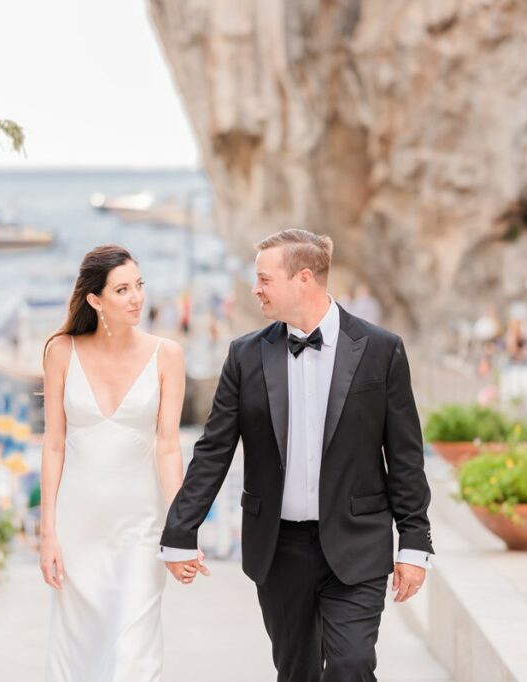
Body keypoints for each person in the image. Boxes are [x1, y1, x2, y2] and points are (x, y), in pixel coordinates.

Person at [159, 229, 433, 681]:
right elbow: (214, 451)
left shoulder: (382, 350)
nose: (255, 289)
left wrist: (415, 543)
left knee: (352, 664)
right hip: (278, 548)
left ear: (303, 278)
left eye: (265, 279)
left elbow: (405, 455)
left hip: (357, 541)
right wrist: (180, 531)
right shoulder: (245, 356)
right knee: (296, 671)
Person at [38, 245, 194, 681]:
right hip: (77, 528)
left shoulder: (168, 355)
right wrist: (48, 531)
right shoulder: (60, 351)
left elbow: (168, 446)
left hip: (141, 525)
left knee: (134, 655)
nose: (136, 298)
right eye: (122, 289)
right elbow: (54, 444)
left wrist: (181, 527)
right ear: (95, 299)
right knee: (78, 656)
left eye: (139, 286)